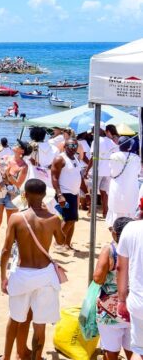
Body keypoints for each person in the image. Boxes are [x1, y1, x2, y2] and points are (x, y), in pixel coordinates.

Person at [0, 179, 65, 360]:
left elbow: (5, 250)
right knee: (40, 323)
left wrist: (3, 277)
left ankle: (6, 358)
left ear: (24, 195)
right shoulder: (52, 219)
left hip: (22, 274)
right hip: (45, 275)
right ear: (45, 196)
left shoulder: (16, 218)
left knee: (14, 319)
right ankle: (37, 358)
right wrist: (58, 218)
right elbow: (61, 241)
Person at [94, 217, 134, 360]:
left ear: (115, 234)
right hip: (134, 307)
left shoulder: (110, 250)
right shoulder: (139, 248)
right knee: (134, 351)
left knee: (111, 353)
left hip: (110, 310)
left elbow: (98, 278)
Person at [50, 138, 83, 252]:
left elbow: (79, 176)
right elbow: (54, 178)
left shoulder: (76, 158)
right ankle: (58, 242)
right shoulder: (60, 159)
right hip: (64, 192)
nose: (73, 148)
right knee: (69, 218)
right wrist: (59, 195)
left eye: (75, 146)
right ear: (64, 146)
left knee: (73, 220)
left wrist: (86, 192)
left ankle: (67, 244)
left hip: (74, 193)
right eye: (70, 146)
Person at [117, 218, 143, 357]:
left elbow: (121, 267)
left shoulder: (130, 228)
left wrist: (121, 300)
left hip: (139, 304)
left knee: (140, 351)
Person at [106, 137, 141, 228]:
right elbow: (137, 172)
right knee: (130, 215)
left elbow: (111, 171)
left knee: (116, 214)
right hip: (130, 189)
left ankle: (115, 239)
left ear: (119, 145)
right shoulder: (136, 158)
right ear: (130, 146)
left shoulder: (113, 156)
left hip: (116, 189)